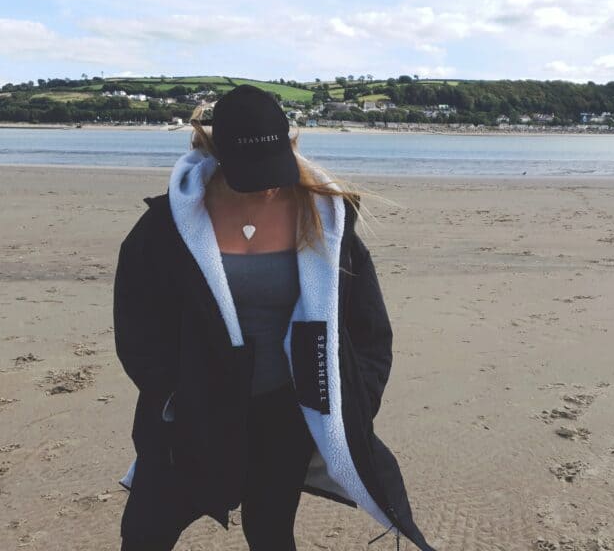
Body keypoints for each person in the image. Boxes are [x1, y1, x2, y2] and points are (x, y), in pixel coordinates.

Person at [113, 84, 434, 550]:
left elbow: (369, 328)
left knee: (270, 533)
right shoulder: (167, 225)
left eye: (273, 169)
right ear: (218, 152)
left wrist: (352, 400)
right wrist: (176, 391)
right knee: (146, 530)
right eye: (251, 174)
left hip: (284, 412)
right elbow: (137, 323)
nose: (266, 184)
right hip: (193, 413)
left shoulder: (323, 218)